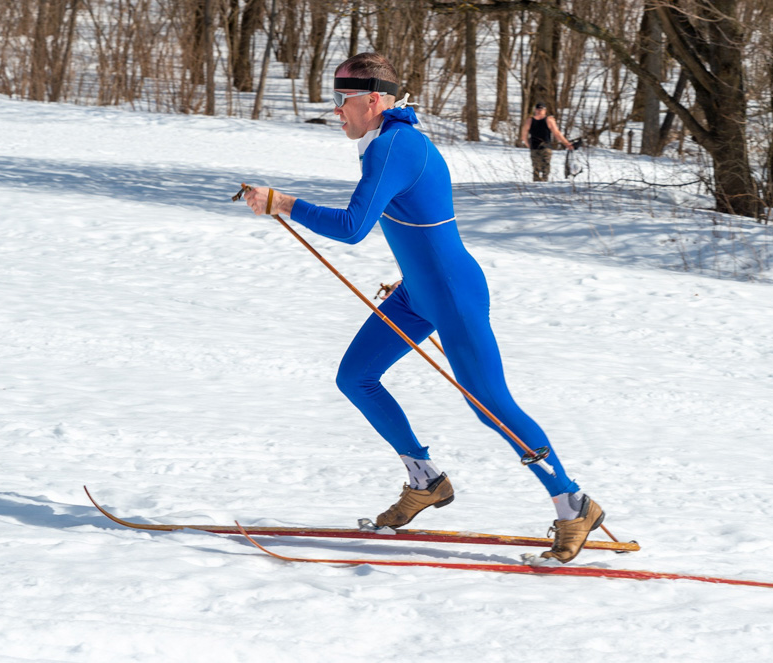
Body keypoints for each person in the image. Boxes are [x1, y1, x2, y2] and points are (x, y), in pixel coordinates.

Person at [242, 52, 604, 563]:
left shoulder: (394, 147)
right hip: (418, 289)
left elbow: (351, 227)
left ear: (373, 100)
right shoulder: (385, 141)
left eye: (343, 101)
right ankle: (426, 479)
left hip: (453, 293)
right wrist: (409, 274)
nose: (337, 111)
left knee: (489, 404)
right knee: (356, 377)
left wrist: (283, 203)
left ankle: (573, 503)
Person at [519, 102, 573, 182]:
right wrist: (567, 143)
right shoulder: (535, 120)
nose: (540, 111)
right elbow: (524, 136)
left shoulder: (542, 120)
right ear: (535, 110)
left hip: (543, 147)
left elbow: (557, 133)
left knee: (539, 168)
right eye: (538, 109)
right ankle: (540, 184)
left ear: (545, 110)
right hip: (538, 147)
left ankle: (541, 183)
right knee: (541, 167)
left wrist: (566, 143)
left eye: (541, 109)